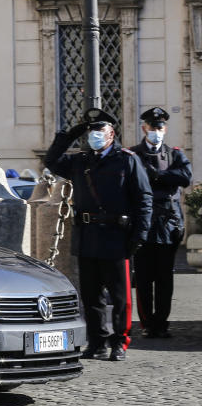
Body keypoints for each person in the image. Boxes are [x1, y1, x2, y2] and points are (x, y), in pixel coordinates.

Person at [44, 108, 152, 362]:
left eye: (99, 130)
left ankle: (119, 342)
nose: (95, 135)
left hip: (117, 237)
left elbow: (143, 199)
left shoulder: (127, 160)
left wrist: (139, 235)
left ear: (111, 133)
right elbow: (51, 160)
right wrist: (71, 134)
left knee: (120, 297)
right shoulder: (81, 161)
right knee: (91, 296)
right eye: (91, 131)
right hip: (88, 237)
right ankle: (97, 342)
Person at [129, 107, 192, 339]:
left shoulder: (174, 154)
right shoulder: (133, 154)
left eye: (160, 127)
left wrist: (157, 175)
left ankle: (162, 322)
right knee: (144, 278)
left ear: (165, 129)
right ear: (144, 128)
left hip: (167, 225)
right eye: (153, 127)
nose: (157, 131)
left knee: (165, 277)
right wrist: (165, 178)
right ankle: (147, 324)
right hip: (143, 225)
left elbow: (185, 177)